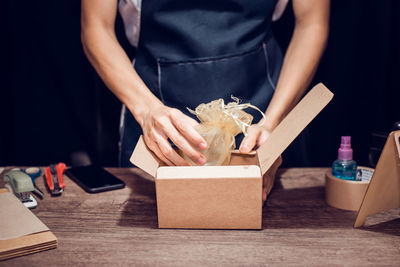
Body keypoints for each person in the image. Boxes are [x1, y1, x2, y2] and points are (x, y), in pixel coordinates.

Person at [81, 0, 330, 200]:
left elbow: (311, 22)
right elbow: (96, 27)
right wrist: (146, 110)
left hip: (263, 104)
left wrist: (274, 120)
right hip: (157, 107)